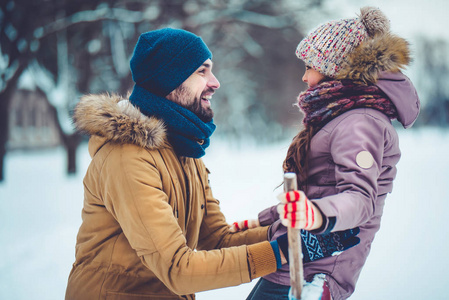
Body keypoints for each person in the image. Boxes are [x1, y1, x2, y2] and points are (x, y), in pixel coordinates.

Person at [65, 28, 358, 300]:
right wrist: (283, 252)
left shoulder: (182, 149)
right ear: (169, 79)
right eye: (201, 71)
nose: (215, 82)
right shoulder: (127, 158)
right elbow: (178, 269)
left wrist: (292, 236)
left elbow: (216, 238)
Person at [233, 7, 420, 300]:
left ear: (335, 68)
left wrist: (315, 214)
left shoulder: (361, 122)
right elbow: (316, 190)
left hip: (316, 270)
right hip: (298, 256)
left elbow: (360, 199)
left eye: (310, 66)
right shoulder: (340, 116)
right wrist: (264, 220)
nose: (305, 77)